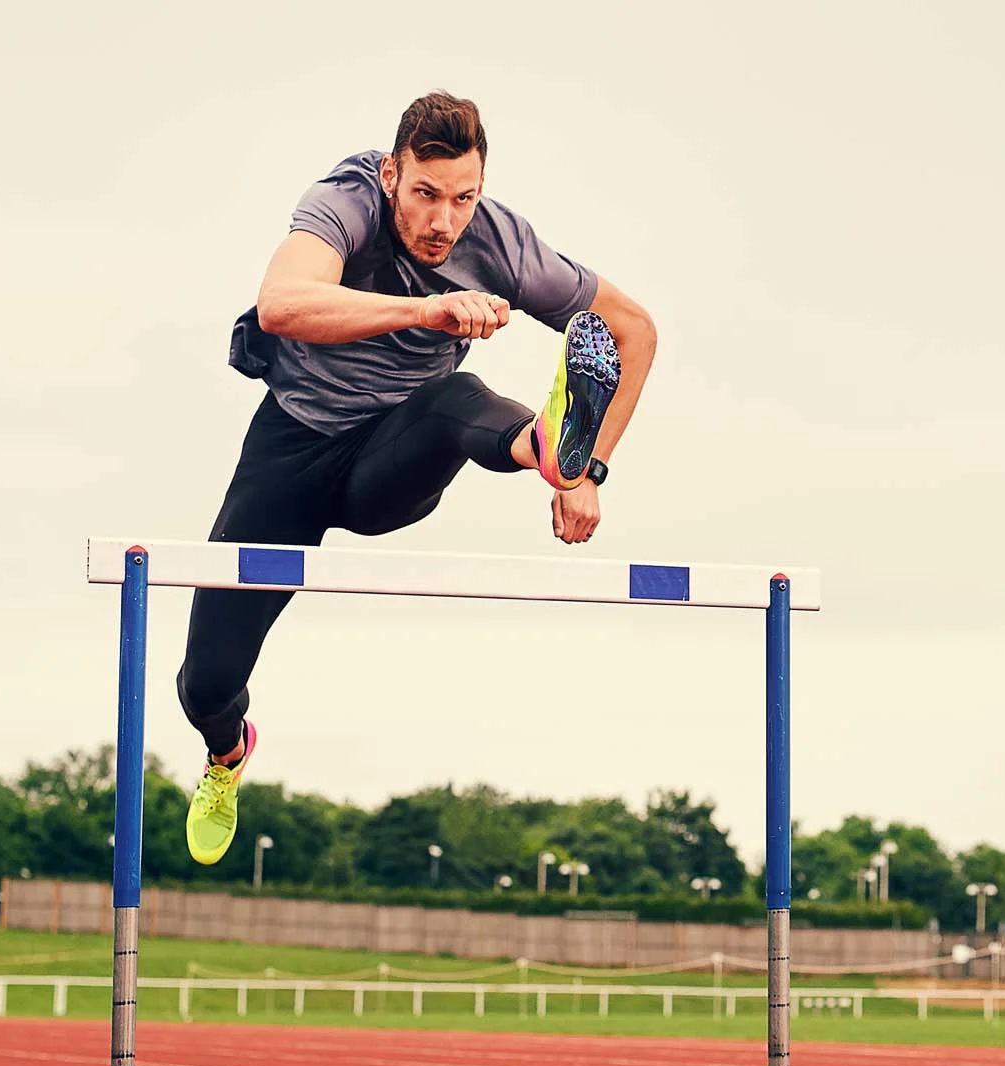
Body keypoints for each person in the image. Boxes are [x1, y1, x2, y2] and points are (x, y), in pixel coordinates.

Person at [176, 90, 656, 865]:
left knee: (454, 400)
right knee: (206, 682)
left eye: (463, 199)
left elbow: (634, 329)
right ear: (394, 173)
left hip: (391, 461)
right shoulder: (345, 201)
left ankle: (549, 446)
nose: (443, 222)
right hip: (291, 450)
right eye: (427, 195)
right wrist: (425, 314)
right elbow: (282, 304)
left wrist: (591, 469)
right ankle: (226, 755)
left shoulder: (500, 244)